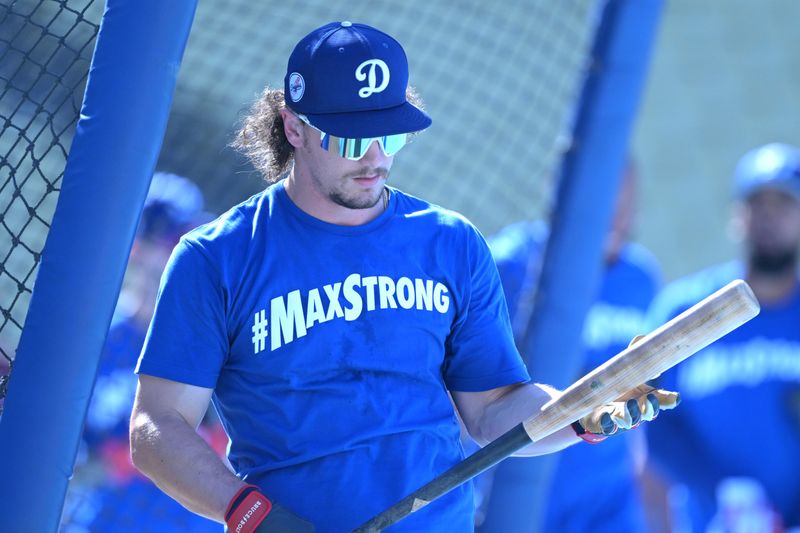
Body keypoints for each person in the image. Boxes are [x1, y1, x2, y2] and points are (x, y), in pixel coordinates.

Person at [128, 21, 678, 533]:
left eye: (389, 137)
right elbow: (156, 428)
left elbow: (492, 411)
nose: (373, 159)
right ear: (293, 127)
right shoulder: (217, 257)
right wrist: (252, 516)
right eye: (349, 139)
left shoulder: (451, 243)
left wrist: (580, 411)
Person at [478, 162, 662, 532]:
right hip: (521, 492)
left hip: (607, 503)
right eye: (605, 197)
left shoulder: (640, 278)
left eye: (624, 200)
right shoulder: (512, 262)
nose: (616, 212)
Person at [646, 142, 800, 531]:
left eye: (783, 205)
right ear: (737, 217)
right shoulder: (685, 312)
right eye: (757, 205)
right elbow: (652, 426)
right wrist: (717, 490)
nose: (769, 218)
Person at [60, 173, 223, 532]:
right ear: (134, 247)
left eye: (183, 237)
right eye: (164, 238)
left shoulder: (210, 336)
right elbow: (67, 449)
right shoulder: (95, 341)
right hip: (104, 522)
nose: (173, 249)